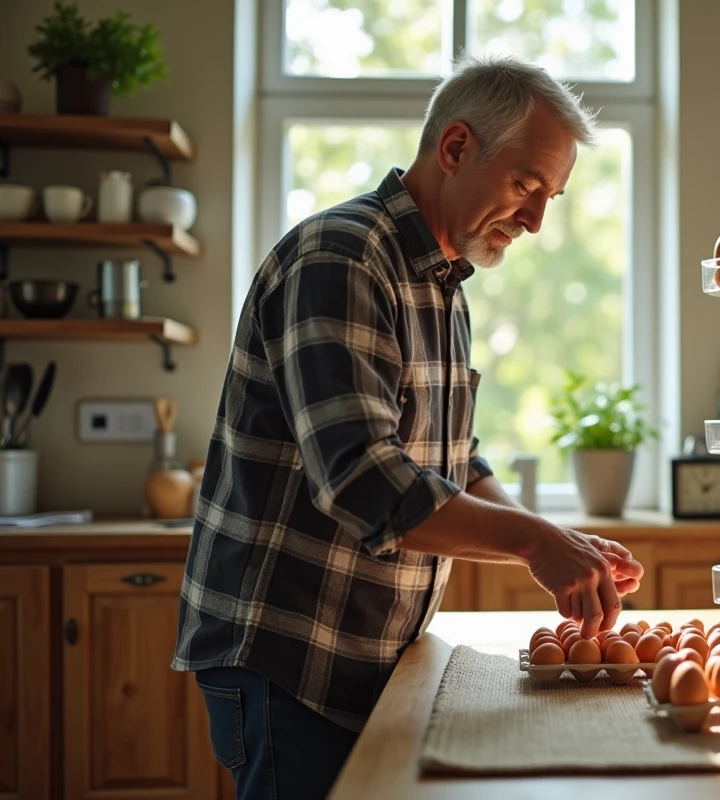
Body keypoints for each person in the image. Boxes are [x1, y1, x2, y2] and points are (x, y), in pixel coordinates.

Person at [172, 54, 645, 800]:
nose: (537, 220)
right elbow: (365, 478)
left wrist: (560, 542)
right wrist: (535, 543)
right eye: (527, 185)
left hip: (363, 662)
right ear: (455, 148)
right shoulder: (344, 255)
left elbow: (452, 453)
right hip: (289, 666)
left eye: (550, 196)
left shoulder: (443, 283)